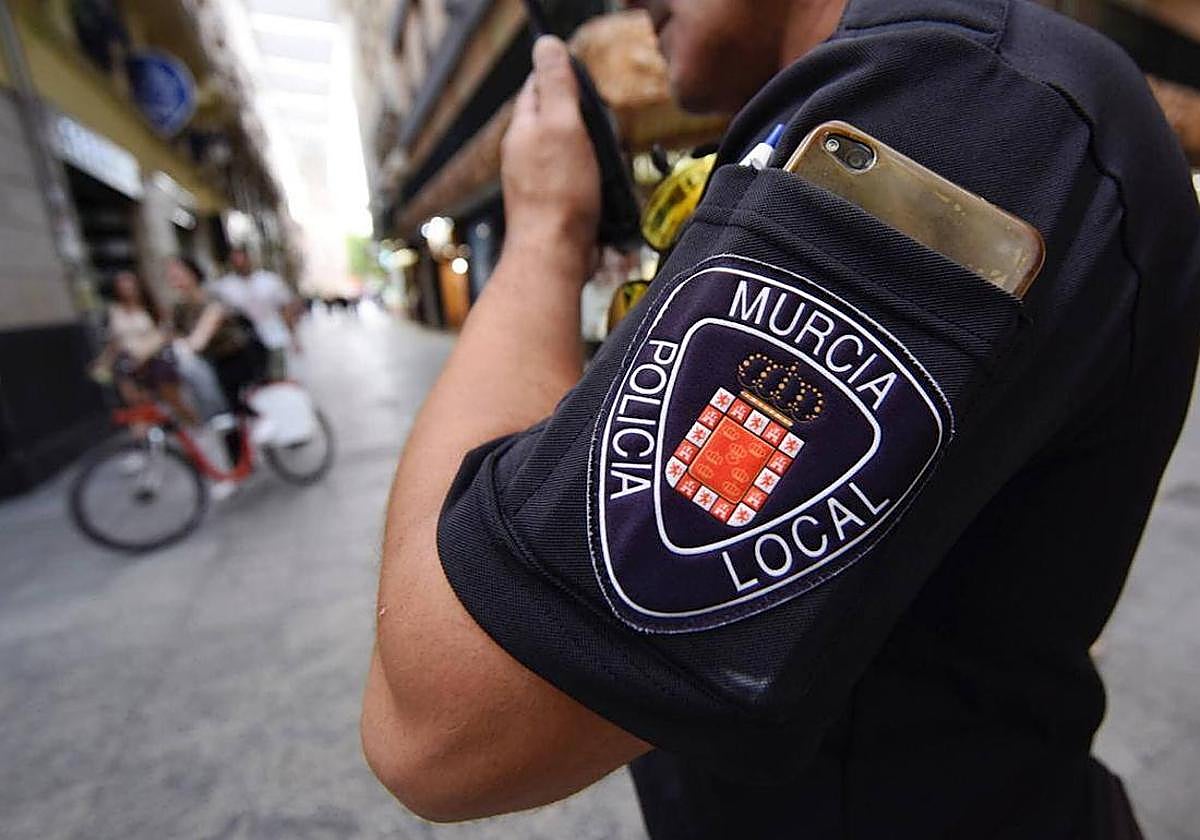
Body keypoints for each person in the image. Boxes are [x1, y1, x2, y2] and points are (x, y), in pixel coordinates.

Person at [361, 2, 1200, 837]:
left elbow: (445, 730)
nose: (630, 9)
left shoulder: (958, 101)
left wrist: (545, 232)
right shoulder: (874, 96)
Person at [168, 256, 268, 467]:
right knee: (222, 415)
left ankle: (262, 419)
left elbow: (211, 320)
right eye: (170, 274)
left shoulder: (212, 295)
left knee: (231, 400)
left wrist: (193, 343)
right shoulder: (179, 307)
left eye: (177, 271)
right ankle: (240, 464)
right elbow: (168, 333)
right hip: (212, 362)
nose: (173, 277)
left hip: (239, 354)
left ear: (192, 272)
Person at [94, 270, 197, 426]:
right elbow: (114, 342)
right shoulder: (114, 311)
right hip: (129, 363)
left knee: (173, 399)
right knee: (137, 403)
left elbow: (166, 333)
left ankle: (194, 427)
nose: (127, 288)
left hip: (154, 358)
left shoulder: (150, 307)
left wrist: (147, 353)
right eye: (122, 285)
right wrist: (103, 362)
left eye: (130, 284)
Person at [209, 247, 299, 379]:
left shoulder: (270, 280)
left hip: (274, 336)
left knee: (277, 376)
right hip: (245, 344)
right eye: (235, 260)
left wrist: (293, 337)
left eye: (242, 259)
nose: (240, 263)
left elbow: (285, 309)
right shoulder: (225, 286)